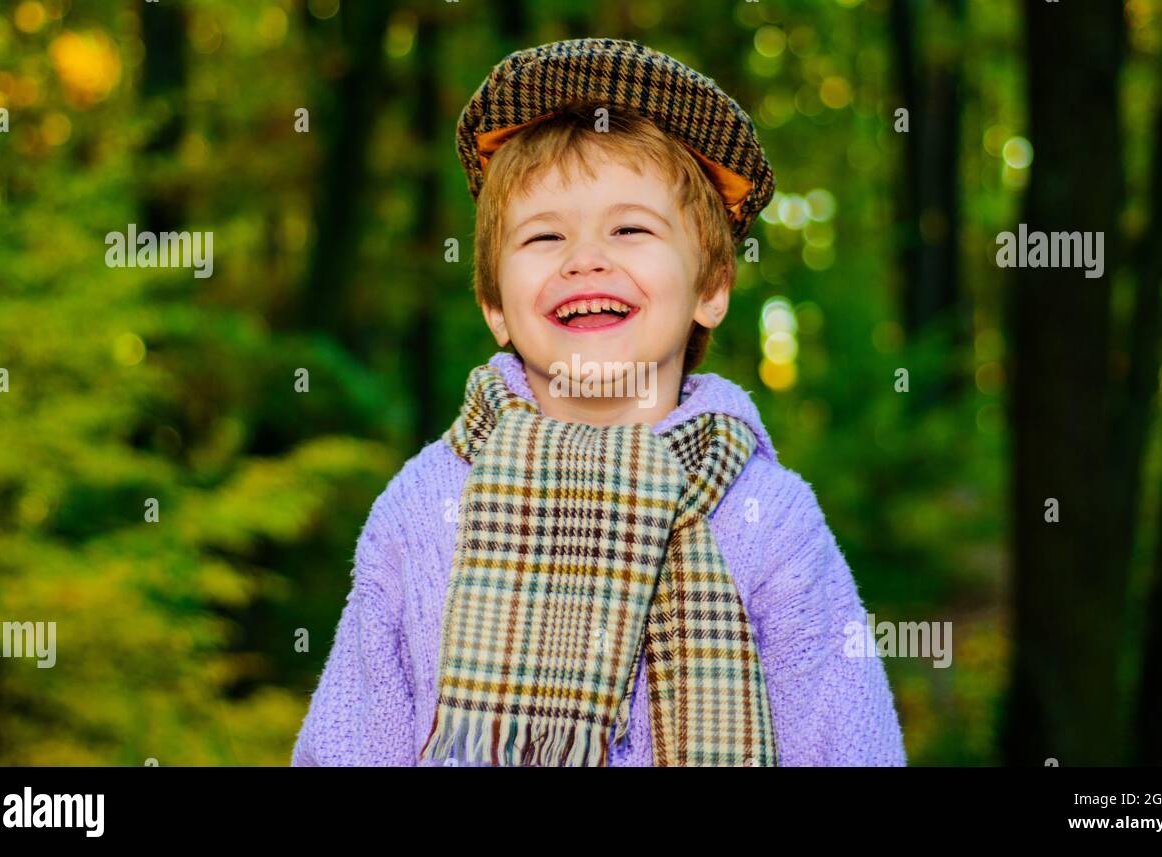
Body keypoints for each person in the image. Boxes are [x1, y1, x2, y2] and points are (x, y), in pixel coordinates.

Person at [292, 38, 906, 766]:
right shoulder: (425, 506)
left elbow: (849, 739)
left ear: (710, 289)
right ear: (495, 304)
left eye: (630, 229)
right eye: (544, 235)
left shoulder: (768, 518)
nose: (584, 257)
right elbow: (352, 737)